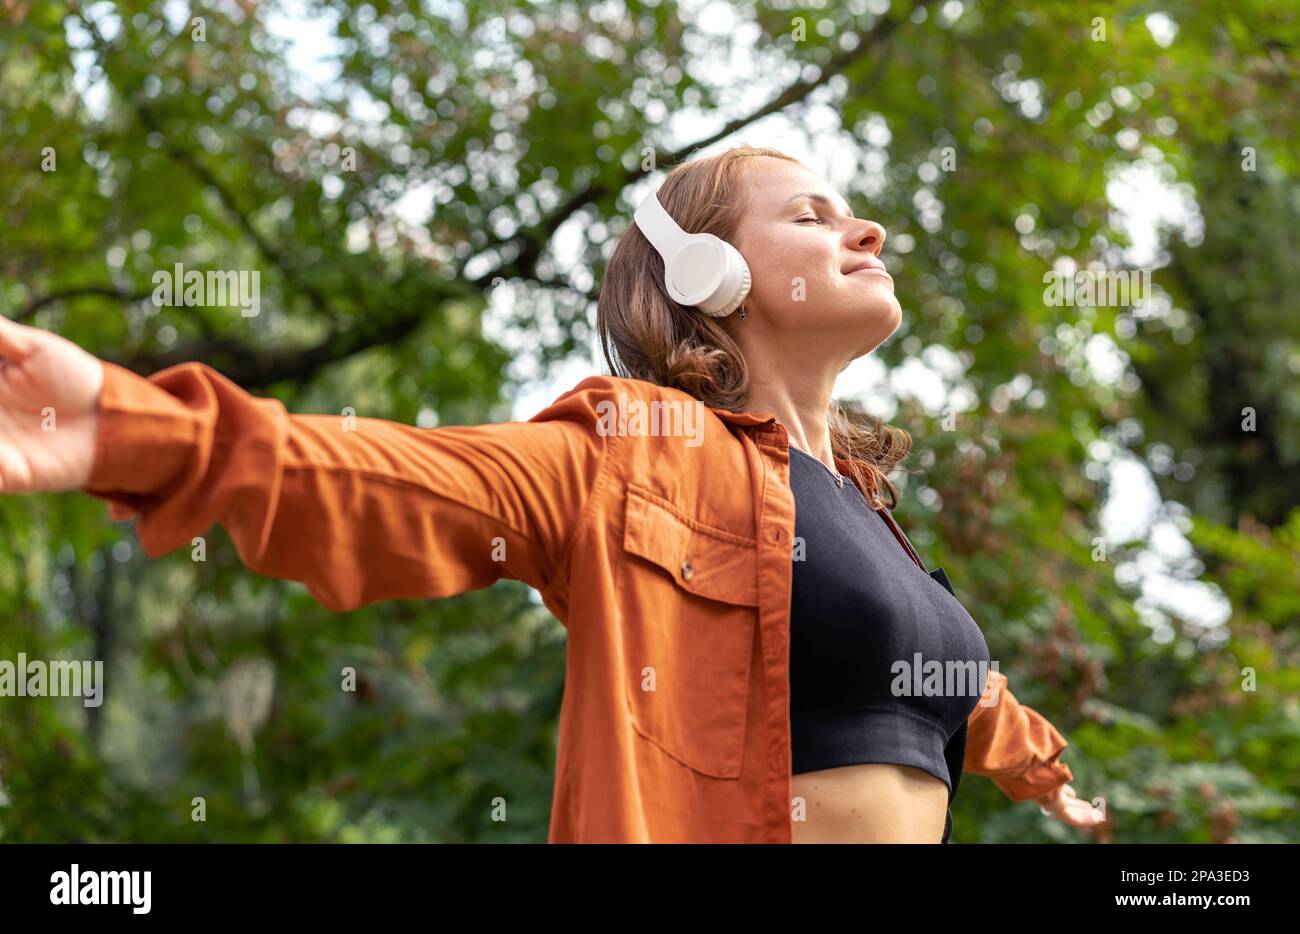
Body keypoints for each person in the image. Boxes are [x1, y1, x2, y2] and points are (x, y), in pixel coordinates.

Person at [0, 144, 1102, 843]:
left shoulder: (870, 517)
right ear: (704, 277)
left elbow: (961, 683)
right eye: (809, 215)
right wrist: (122, 424)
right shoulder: (641, 446)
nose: (861, 229)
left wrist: (1046, 775)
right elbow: (410, 484)